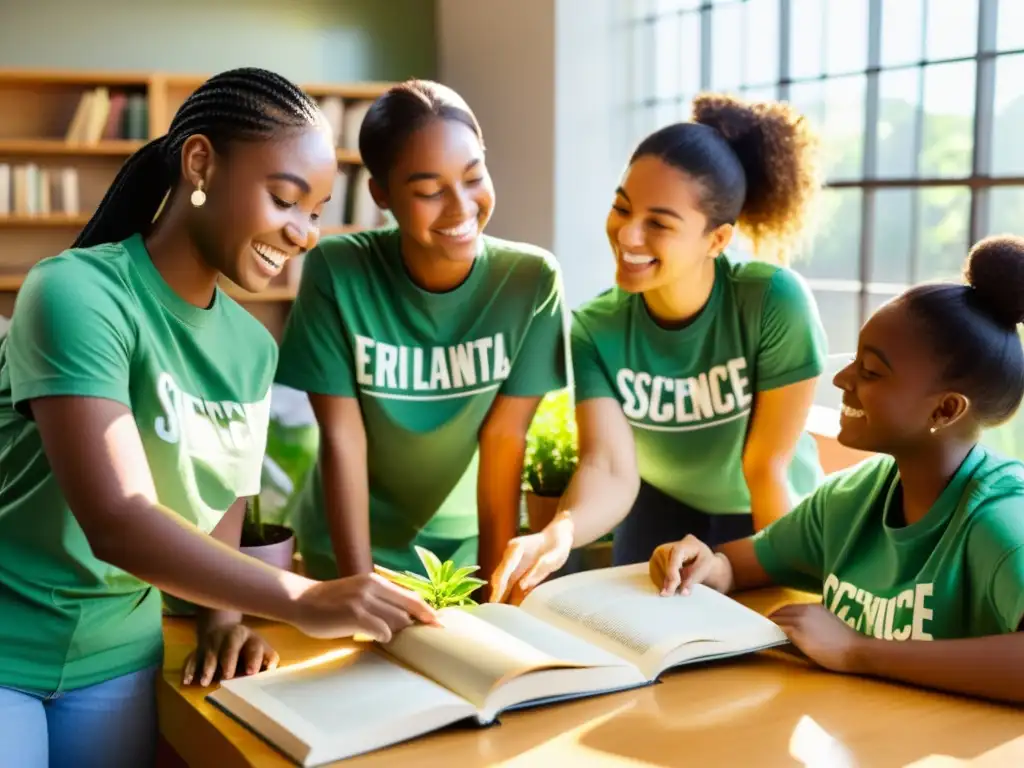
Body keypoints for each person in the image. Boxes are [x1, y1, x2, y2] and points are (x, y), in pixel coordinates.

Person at [0, 68, 436, 768]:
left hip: (120, 659)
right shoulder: (75, 292)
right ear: (200, 162)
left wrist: (225, 621)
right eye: (287, 199)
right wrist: (305, 598)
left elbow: (221, 500)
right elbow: (117, 519)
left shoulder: (251, 349)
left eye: (318, 210)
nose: (305, 233)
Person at [649, 235, 1024, 705]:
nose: (842, 380)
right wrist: (705, 565)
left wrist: (859, 651)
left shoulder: (1001, 518)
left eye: (870, 371)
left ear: (945, 410)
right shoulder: (850, 498)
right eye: (854, 360)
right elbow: (738, 567)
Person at [491, 94, 827, 603]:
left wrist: (788, 587)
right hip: (658, 516)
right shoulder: (595, 328)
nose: (628, 234)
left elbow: (767, 467)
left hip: (762, 514)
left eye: (659, 223)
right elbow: (607, 467)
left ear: (716, 241)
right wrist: (557, 532)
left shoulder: (774, 302)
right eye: (622, 207)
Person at [275, 79, 568, 587]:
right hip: (346, 547)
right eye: (430, 191)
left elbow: (504, 438)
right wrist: (356, 586)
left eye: (474, 177)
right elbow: (343, 438)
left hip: (465, 551)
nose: (460, 208)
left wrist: (495, 587)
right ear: (381, 194)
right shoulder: (338, 271)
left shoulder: (531, 281)